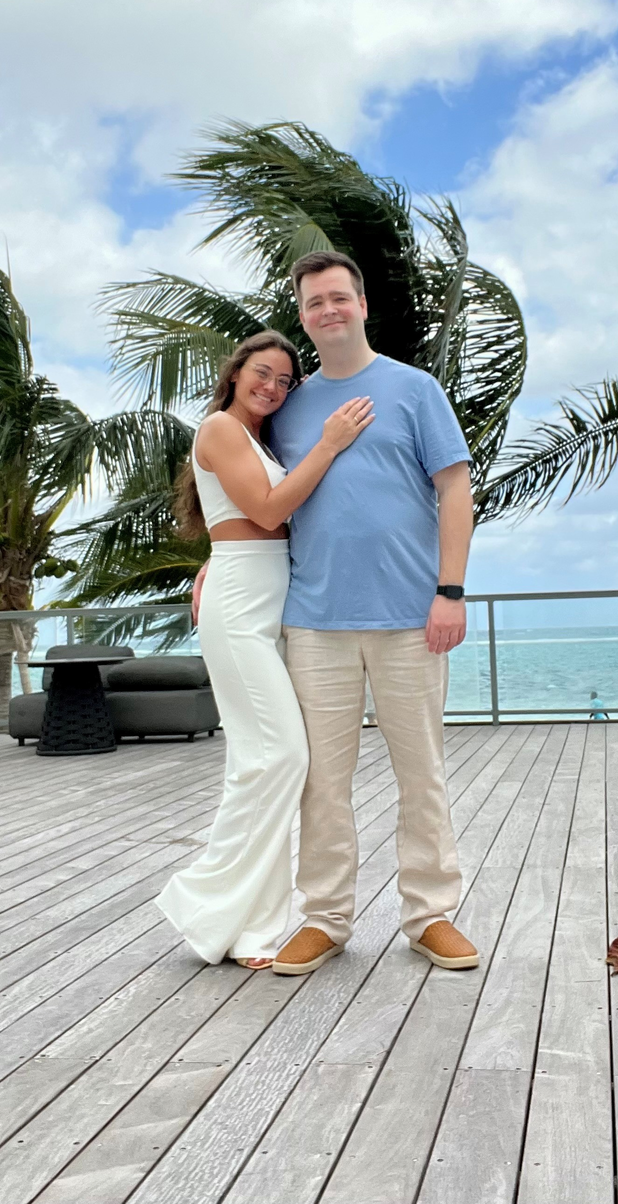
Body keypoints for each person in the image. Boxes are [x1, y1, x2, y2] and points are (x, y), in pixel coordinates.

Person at [266, 250, 479, 975]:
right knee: (321, 780)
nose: (327, 310)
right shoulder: (288, 408)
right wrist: (213, 563)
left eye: (338, 297)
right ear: (302, 316)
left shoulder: (414, 390)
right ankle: (324, 919)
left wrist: (449, 591)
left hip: (409, 618)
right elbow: (262, 502)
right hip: (315, 620)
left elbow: (455, 491)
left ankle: (430, 915)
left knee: (422, 772)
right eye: (313, 302)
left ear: (361, 305)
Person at [155, 330, 373, 970]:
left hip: (268, 600)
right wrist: (331, 442)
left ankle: (250, 928)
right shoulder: (221, 427)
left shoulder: (258, 436)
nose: (272, 387)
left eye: (285, 380)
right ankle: (203, 899)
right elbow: (271, 509)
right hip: (242, 606)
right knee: (280, 756)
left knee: (261, 763)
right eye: (263, 373)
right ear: (237, 371)